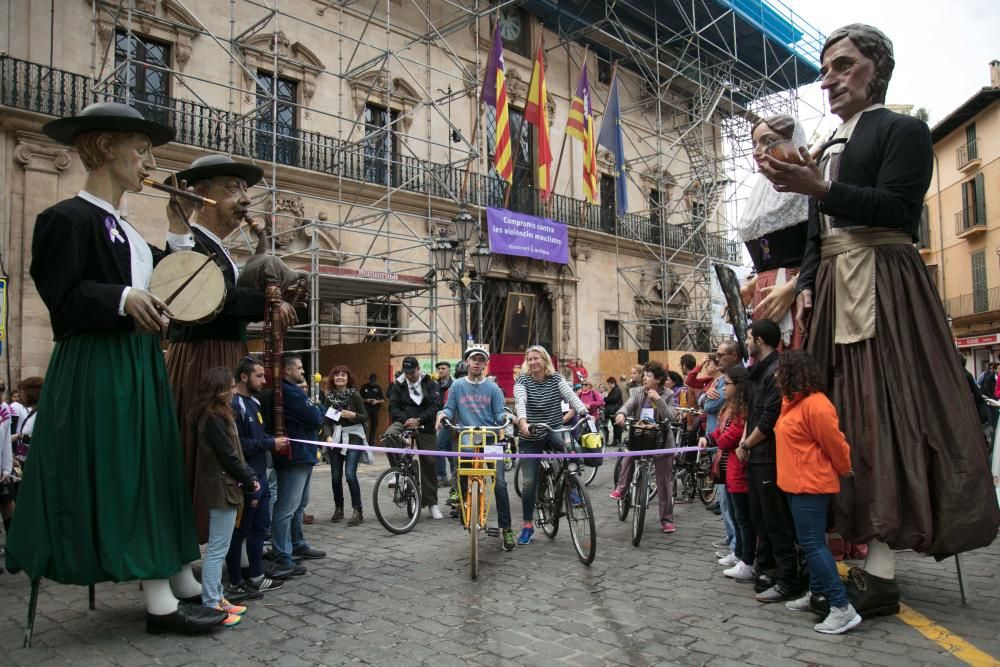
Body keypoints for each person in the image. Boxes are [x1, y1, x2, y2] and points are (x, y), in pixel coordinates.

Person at [762, 23, 1000, 616]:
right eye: (825, 71)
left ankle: (882, 570)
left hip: (884, 285)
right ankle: (832, 553)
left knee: (882, 415)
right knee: (832, 415)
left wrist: (820, 187)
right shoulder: (825, 146)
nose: (830, 80)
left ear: (877, 69)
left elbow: (897, 208)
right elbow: (819, 233)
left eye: (843, 66)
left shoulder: (903, 129)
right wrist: (802, 284)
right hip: (835, 292)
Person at [5, 102, 224, 634]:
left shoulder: (127, 230)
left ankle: (173, 576)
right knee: (127, 467)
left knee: (152, 464)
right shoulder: (63, 218)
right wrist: (122, 297)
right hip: (98, 365)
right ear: (106, 147)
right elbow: (61, 295)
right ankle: (158, 597)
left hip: (137, 363)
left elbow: (172, 285)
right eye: (141, 147)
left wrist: (178, 229)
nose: (149, 158)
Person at [164, 154, 298, 542]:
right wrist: (268, 304)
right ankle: (197, 541)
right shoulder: (191, 243)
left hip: (224, 353)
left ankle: (225, 547)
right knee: (207, 450)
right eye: (232, 189)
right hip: (204, 358)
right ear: (202, 195)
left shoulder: (220, 249)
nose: (244, 200)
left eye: (244, 190)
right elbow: (204, 300)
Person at [774, 351, 861, 634]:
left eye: (780, 371)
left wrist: (844, 466)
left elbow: (835, 442)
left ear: (791, 373)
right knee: (811, 543)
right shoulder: (794, 403)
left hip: (810, 485)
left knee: (813, 545)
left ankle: (841, 607)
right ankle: (817, 593)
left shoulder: (816, 404)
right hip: (797, 484)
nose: (776, 375)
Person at [736, 319, 802, 604]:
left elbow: (769, 418)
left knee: (775, 521)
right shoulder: (760, 372)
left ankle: (787, 578)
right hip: (757, 457)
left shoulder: (774, 372)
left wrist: (746, 444)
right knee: (760, 519)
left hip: (768, 458)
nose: (747, 342)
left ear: (760, 341)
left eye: (750, 337)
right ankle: (767, 569)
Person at [191, 367, 259, 627]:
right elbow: (228, 455)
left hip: (226, 485)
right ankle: (211, 603)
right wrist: (249, 478)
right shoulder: (212, 418)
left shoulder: (218, 415)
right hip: (222, 487)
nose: (233, 390)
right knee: (217, 549)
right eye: (230, 386)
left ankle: (218, 598)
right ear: (219, 388)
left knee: (220, 546)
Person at [739, 114, 811, 350]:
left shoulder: (809, 180)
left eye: (768, 141)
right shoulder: (758, 191)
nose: (758, 151)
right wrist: (751, 286)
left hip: (799, 294)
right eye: (755, 144)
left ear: (794, 140)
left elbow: (827, 247)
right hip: (766, 297)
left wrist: (794, 287)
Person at [436, 345, 515, 550]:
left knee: (500, 484)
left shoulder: (493, 388)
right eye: (474, 359)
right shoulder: (458, 386)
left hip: (490, 440)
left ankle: (506, 529)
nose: (477, 363)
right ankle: (465, 506)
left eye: (481, 360)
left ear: (485, 364)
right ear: (467, 362)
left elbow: (498, 413)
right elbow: (449, 408)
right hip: (467, 438)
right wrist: (442, 415)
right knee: (461, 474)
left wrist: (505, 417)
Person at [228, 357, 289, 597]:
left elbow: (259, 434)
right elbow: (238, 444)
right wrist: (270, 443)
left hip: (262, 475)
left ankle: (257, 575)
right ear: (244, 377)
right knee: (240, 531)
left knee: (260, 528)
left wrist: (268, 441)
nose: (264, 380)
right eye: (259, 376)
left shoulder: (254, 402)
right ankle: (235, 582)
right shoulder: (235, 405)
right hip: (247, 479)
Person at [513, 345, 588, 545]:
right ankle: (528, 526)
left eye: (536, 358)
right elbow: (520, 401)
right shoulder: (523, 380)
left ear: (545, 360)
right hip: (531, 433)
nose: (532, 362)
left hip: (554, 428)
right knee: (529, 483)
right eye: (529, 359)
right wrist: (523, 422)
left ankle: (571, 486)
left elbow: (571, 395)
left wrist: (582, 411)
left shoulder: (556, 379)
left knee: (573, 452)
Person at [263, 353, 325, 574]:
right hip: (294, 456)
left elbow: (318, 413)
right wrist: (315, 409)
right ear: (288, 370)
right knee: (286, 507)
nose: (302, 372)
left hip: (304, 454)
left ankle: (297, 543)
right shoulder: (289, 393)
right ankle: (282, 553)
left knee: (299, 505)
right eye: (298, 368)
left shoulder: (294, 392)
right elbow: (316, 417)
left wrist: (316, 410)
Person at [610, 361, 678, 533]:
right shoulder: (639, 392)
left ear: (659, 379)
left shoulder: (669, 394)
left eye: (649, 376)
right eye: (644, 375)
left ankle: (667, 520)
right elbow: (629, 404)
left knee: (664, 482)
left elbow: (672, 417)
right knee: (629, 455)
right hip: (640, 436)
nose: (645, 378)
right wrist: (621, 414)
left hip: (662, 442)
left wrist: (658, 400)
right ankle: (622, 489)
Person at [700, 364, 753, 581]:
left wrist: (719, 440)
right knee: (733, 513)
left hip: (739, 470)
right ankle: (738, 552)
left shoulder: (743, 410)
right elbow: (720, 430)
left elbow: (732, 435)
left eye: (727, 384)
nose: (723, 387)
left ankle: (746, 559)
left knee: (742, 518)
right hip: (727, 468)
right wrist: (710, 438)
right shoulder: (730, 407)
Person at [384, 356, 443, 519]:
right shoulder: (398, 384)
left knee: (430, 461)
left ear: (418, 369)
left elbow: (436, 405)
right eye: (406, 372)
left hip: (424, 423)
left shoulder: (430, 383)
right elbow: (392, 406)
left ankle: (432, 503)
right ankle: (400, 474)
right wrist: (406, 420)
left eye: (412, 372)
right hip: (405, 421)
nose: (409, 376)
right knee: (389, 436)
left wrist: (419, 420)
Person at [323, 365, 368, 526]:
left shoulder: (354, 395)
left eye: (343, 375)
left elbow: (364, 417)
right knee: (335, 477)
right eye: (337, 375)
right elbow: (326, 421)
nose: (340, 377)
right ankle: (339, 508)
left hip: (354, 437)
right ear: (332, 379)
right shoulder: (329, 398)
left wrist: (353, 415)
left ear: (348, 378)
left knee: (350, 474)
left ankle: (358, 511)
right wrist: (328, 436)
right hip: (336, 438)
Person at [435, 361, 457, 488]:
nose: (441, 370)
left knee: (440, 446)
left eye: (443, 368)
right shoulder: (435, 385)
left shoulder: (454, 385)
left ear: (449, 370)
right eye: (439, 369)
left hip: (451, 421)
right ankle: (449, 476)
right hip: (441, 420)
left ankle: (442, 476)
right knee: (449, 449)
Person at [360, 373, 385, 441]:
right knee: (363, 425)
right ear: (369, 380)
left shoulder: (378, 387)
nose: (372, 383)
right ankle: (363, 442)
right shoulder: (364, 387)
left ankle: (371, 444)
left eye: (373, 381)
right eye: (371, 381)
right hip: (365, 409)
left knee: (373, 426)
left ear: (375, 381)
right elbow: (359, 399)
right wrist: (366, 400)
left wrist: (376, 401)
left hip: (374, 409)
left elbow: (383, 400)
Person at [604, 377, 624, 447]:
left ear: (612, 383)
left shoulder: (617, 390)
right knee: (615, 426)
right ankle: (615, 441)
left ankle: (618, 442)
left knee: (617, 427)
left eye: (609, 383)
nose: (608, 385)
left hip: (616, 411)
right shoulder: (614, 390)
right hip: (614, 411)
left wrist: (605, 399)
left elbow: (613, 399)